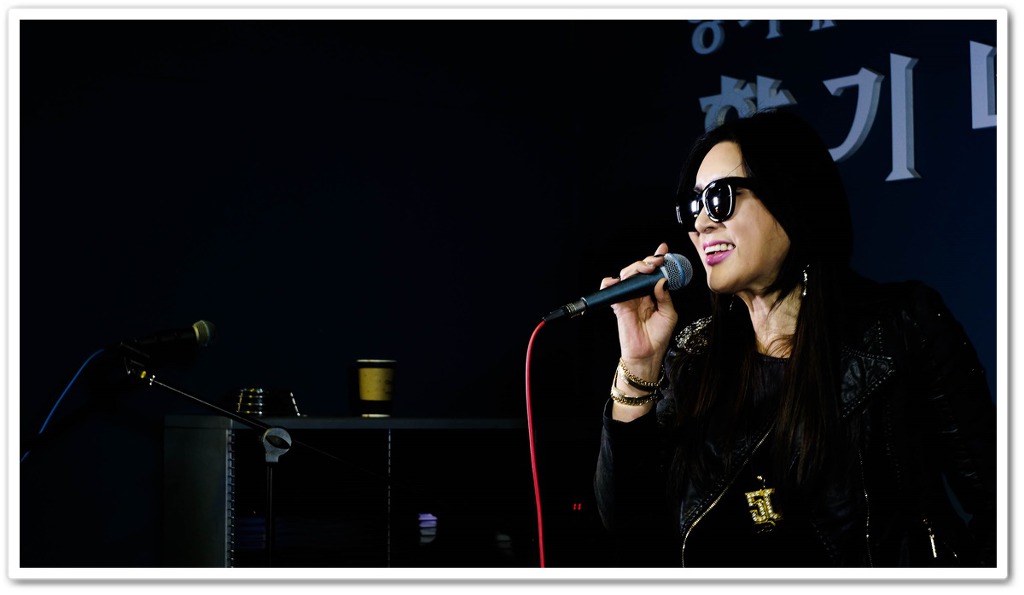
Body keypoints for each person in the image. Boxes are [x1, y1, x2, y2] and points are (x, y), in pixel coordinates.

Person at [592, 107, 996, 567]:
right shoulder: (694, 359)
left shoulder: (902, 328)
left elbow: (1001, 510)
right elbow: (630, 527)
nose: (701, 224)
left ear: (790, 197)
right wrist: (639, 365)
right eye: (694, 206)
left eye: (720, 199)